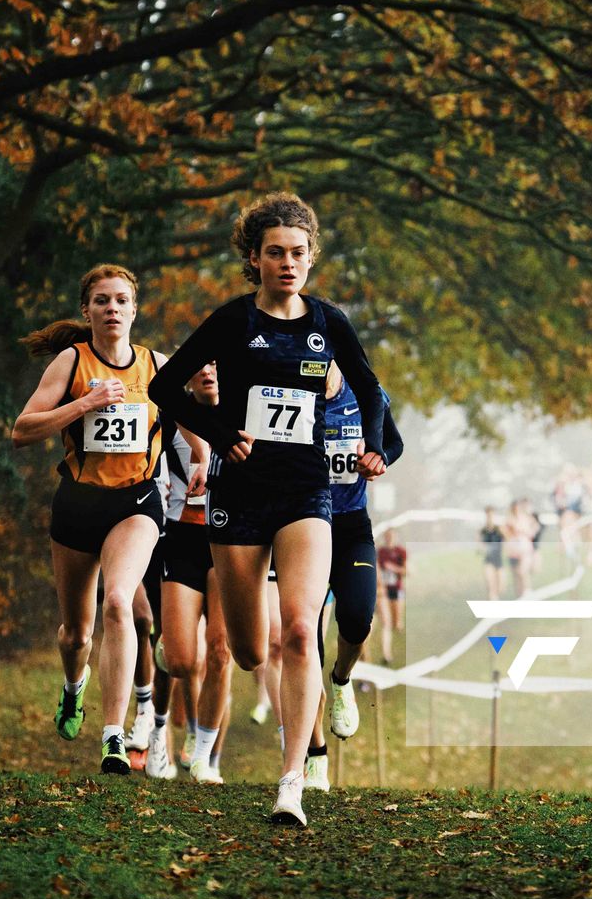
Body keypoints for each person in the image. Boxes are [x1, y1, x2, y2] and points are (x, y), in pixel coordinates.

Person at [149, 191, 389, 827]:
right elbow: (162, 385)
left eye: (299, 253)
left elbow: (369, 388)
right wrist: (221, 430)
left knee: (300, 628)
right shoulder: (231, 321)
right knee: (252, 651)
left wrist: (376, 444)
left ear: (312, 259)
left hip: (308, 493)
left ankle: (293, 782)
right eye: (275, 253)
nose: (288, 263)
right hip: (239, 497)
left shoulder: (330, 322)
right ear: (253, 259)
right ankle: (281, 748)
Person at [12, 264, 169, 775]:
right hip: (79, 504)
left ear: (134, 309)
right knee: (77, 633)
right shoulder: (71, 361)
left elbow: (199, 413)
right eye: (102, 301)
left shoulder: (155, 365)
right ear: (87, 310)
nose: (112, 309)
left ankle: (114, 737)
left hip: (136, 503)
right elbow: (23, 430)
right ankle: (73, 688)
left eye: (122, 300)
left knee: (120, 603)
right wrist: (84, 404)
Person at [302, 363, 405, 792]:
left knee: (359, 617)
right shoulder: (292, 393)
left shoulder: (366, 394)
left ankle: (342, 679)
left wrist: (378, 458)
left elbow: (394, 444)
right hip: (302, 525)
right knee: (302, 640)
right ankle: (313, 754)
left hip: (350, 527)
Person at [151, 362, 231, 784]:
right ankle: (162, 724)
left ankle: (205, 756)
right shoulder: (170, 415)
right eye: (198, 365)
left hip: (231, 541)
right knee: (182, 660)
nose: (207, 372)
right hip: (181, 538)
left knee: (220, 652)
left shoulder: (244, 413)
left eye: (216, 365)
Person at [377, 528, 409, 663]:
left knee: (397, 624)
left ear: (396, 537)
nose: (389, 539)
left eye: (392, 536)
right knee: (387, 623)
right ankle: (386, 655)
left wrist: (393, 568)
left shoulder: (401, 552)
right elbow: (377, 570)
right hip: (383, 591)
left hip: (397, 590)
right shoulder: (380, 552)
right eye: (387, 536)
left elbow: (406, 571)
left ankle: (398, 626)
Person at [504, 499, 538, 597]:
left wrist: (527, 533)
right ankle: (520, 595)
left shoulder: (526, 518)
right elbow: (506, 533)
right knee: (516, 574)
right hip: (513, 550)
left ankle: (528, 591)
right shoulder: (509, 519)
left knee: (523, 570)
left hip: (524, 549)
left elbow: (534, 528)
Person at [479, 507, 506, 600]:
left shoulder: (500, 529)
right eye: (488, 515)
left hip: (499, 560)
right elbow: (480, 545)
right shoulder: (483, 531)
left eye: (491, 515)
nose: (490, 517)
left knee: (500, 587)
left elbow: (507, 540)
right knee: (490, 584)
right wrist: (482, 549)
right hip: (489, 560)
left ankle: (496, 598)